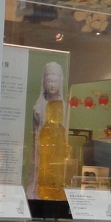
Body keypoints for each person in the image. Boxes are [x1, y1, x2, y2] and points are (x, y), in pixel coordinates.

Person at [27, 61, 67, 199]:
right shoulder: (38, 107)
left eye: (55, 81)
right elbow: (35, 134)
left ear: (60, 82)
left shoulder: (64, 107)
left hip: (57, 152)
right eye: (49, 81)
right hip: (42, 150)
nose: (52, 85)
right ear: (44, 82)